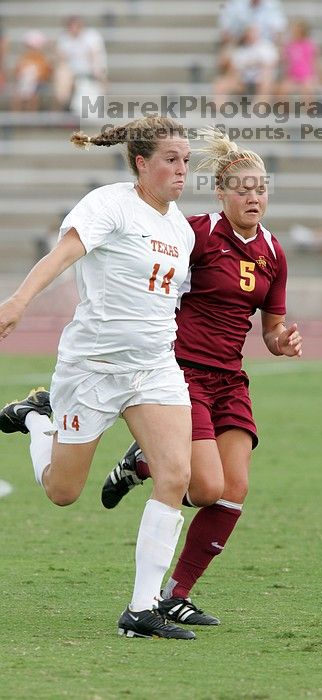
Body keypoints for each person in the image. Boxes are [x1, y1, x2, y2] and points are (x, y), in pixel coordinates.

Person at [0, 116, 198, 641]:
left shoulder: (180, 227)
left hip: (155, 368)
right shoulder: (109, 204)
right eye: (171, 160)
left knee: (176, 477)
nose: (182, 170)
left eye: (185, 160)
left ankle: (141, 609)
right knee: (63, 492)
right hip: (93, 368)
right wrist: (18, 301)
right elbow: (61, 256)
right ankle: (39, 420)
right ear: (141, 162)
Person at [101, 126, 303, 626]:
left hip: (230, 380)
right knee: (205, 487)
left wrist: (282, 341)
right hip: (182, 372)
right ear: (221, 192)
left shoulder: (274, 252)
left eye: (260, 187)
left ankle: (175, 593)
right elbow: (155, 276)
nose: (253, 196)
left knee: (234, 490)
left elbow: (271, 327)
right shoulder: (194, 233)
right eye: (242, 187)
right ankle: (146, 461)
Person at [54, 16, 107, 112]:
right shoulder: (64, 37)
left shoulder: (92, 36)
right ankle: (63, 105)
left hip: (89, 70)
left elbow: (96, 57)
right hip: (72, 72)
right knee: (62, 74)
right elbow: (61, 57)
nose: (73, 29)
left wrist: (98, 75)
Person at [278, 20, 322, 104]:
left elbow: (315, 63)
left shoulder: (309, 45)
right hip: (292, 76)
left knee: (308, 91)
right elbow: (286, 61)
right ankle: (285, 114)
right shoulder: (290, 45)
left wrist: (320, 78)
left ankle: (310, 114)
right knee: (282, 91)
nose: (293, 33)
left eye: (296, 31)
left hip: (307, 76)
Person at [11, 30, 52, 112]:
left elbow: (46, 73)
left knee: (33, 97)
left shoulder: (42, 59)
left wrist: (36, 77)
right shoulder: (24, 58)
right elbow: (18, 72)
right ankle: (18, 121)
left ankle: (31, 120)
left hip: (38, 84)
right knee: (17, 97)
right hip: (24, 84)